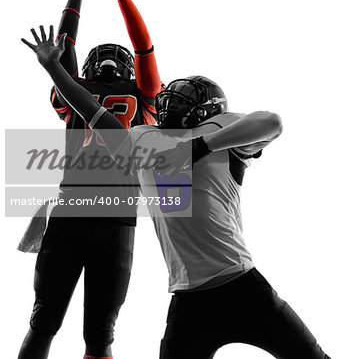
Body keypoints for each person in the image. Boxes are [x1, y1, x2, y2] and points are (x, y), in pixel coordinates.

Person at [22, 26, 331, 359]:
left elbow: (272, 122)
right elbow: (95, 114)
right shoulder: (144, 137)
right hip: (187, 297)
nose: (173, 101)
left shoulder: (222, 130)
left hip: (242, 285)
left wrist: (199, 146)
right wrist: (53, 68)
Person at [18, 0, 163, 359]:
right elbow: (143, 46)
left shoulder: (74, 91)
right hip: (111, 216)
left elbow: (66, 48)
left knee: (61, 325)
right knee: (66, 325)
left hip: (83, 212)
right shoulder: (143, 97)